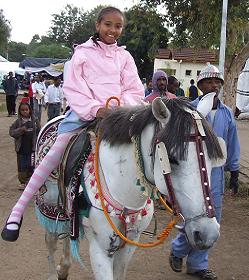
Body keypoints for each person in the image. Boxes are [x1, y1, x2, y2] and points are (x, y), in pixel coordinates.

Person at [1, 6, 145, 242]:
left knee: (147, 147)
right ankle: (17, 211)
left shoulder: (125, 57)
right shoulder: (82, 54)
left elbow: (134, 89)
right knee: (58, 150)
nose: (113, 30)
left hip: (120, 115)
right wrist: (95, 109)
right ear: (98, 25)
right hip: (85, 113)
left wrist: (119, 108)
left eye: (118, 26)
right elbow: (74, 88)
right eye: (108, 24)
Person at [169, 64, 240, 279]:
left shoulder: (227, 114)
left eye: (217, 82)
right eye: (209, 82)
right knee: (192, 216)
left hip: (215, 176)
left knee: (212, 220)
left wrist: (234, 170)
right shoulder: (187, 111)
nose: (214, 85)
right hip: (193, 175)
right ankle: (178, 250)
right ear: (200, 85)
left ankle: (198, 265)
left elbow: (232, 142)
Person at [9, 102, 40, 190]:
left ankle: (30, 182)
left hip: (32, 148)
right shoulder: (18, 122)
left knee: (32, 164)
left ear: (30, 110)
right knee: (22, 166)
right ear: (19, 111)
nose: (25, 111)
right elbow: (11, 132)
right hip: (21, 149)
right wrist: (20, 130)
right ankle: (22, 182)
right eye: (22, 110)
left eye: (26, 109)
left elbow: (39, 131)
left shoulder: (35, 120)